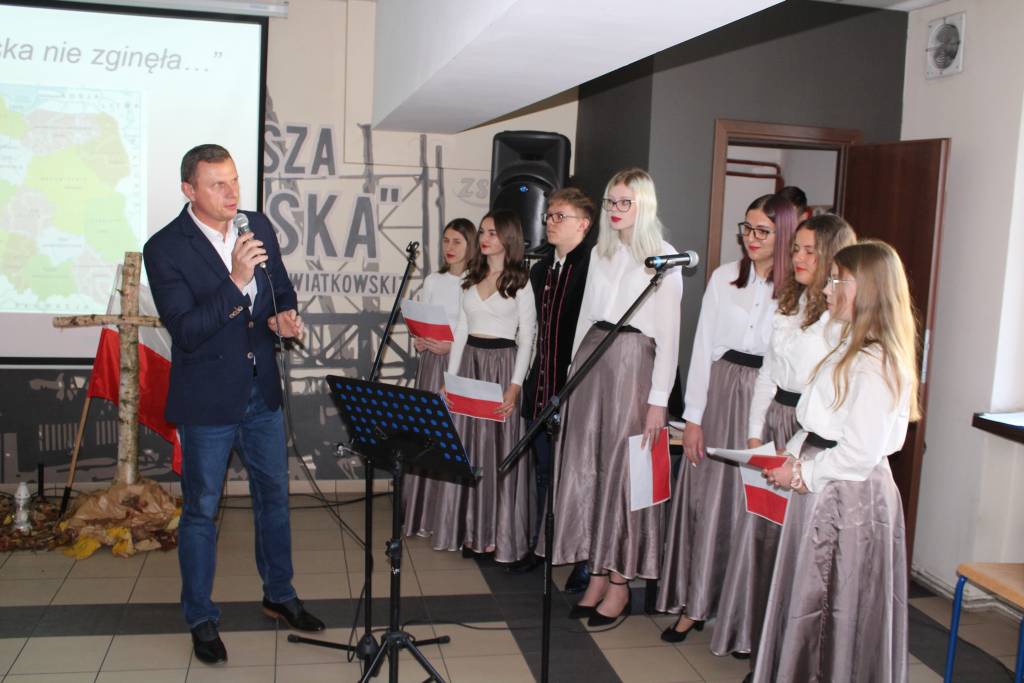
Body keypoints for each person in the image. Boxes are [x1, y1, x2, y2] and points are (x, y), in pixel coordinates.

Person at [144, 144, 323, 665]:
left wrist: (282, 318)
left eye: (234, 181)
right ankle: (201, 618)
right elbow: (186, 331)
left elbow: (279, 289)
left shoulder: (256, 225)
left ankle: (280, 594)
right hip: (207, 401)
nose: (231, 193)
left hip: (260, 391)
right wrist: (236, 281)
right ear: (189, 190)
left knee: (275, 499)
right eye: (217, 184)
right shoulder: (165, 248)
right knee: (202, 511)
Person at [754, 240, 917, 682]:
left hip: (846, 496)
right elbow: (818, 418)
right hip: (824, 484)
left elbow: (860, 452)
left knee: (830, 603)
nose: (826, 289)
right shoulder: (848, 345)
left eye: (837, 281)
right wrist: (792, 452)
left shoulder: (877, 360)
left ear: (866, 289)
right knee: (810, 596)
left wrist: (804, 473)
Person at [716, 214, 857, 669]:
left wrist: (792, 447)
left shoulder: (843, 320)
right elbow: (768, 373)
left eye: (810, 250)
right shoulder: (789, 301)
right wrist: (755, 433)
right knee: (761, 537)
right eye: (796, 248)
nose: (798, 257)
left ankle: (789, 651)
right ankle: (757, 637)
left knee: (797, 548)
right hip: (777, 423)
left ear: (833, 257)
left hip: (810, 434)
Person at [657, 193, 796, 645]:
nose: (751, 238)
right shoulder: (723, 278)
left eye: (762, 231)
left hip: (769, 404)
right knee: (708, 503)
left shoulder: (799, 289)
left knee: (755, 509)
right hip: (720, 392)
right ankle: (694, 604)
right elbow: (702, 349)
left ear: (784, 234)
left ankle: (747, 617)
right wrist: (693, 418)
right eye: (747, 228)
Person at [547, 168, 683, 626]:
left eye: (626, 202)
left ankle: (621, 583)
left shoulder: (665, 259)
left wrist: (658, 401)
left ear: (644, 206)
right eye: (611, 202)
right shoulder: (601, 254)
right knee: (591, 469)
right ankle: (598, 573)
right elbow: (586, 318)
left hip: (633, 369)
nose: (616, 210)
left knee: (626, 476)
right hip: (593, 363)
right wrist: (571, 377)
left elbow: (669, 339)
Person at [424, 210, 537, 563]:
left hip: (502, 367)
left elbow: (527, 338)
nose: (484, 239)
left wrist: (515, 387)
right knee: (469, 449)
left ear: (508, 238)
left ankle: (495, 536)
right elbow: (460, 332)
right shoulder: (471, 279)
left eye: (492, 233)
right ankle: (471, 532)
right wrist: (451, 379)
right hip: (470, 364)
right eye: (483, 232)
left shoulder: (521, 282)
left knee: (497, 452)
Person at [507, 187, 594, 576]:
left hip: (577, 388)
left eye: (561, 216)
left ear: (583, 224)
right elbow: (532, 331)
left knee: (577, 475)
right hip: (541, 387)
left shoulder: (593, 268)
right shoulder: (540, 269)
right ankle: (541, 545)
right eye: (550, 216)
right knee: (543, 470)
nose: (551, 223)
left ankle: (582, 557)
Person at [403, 218, 477, 536]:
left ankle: (451, 517)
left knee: (454, 436)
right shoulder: (433, 280)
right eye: (446, 240)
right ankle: (424, 514)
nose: (449, 247)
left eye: (457, 241)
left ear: (471, 245)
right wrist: (419, 340)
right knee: (427, 435)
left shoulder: (476, 282)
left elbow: (476, 328)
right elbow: (423, 319)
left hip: (459, 364)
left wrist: (452, 345)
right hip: (431, 364)